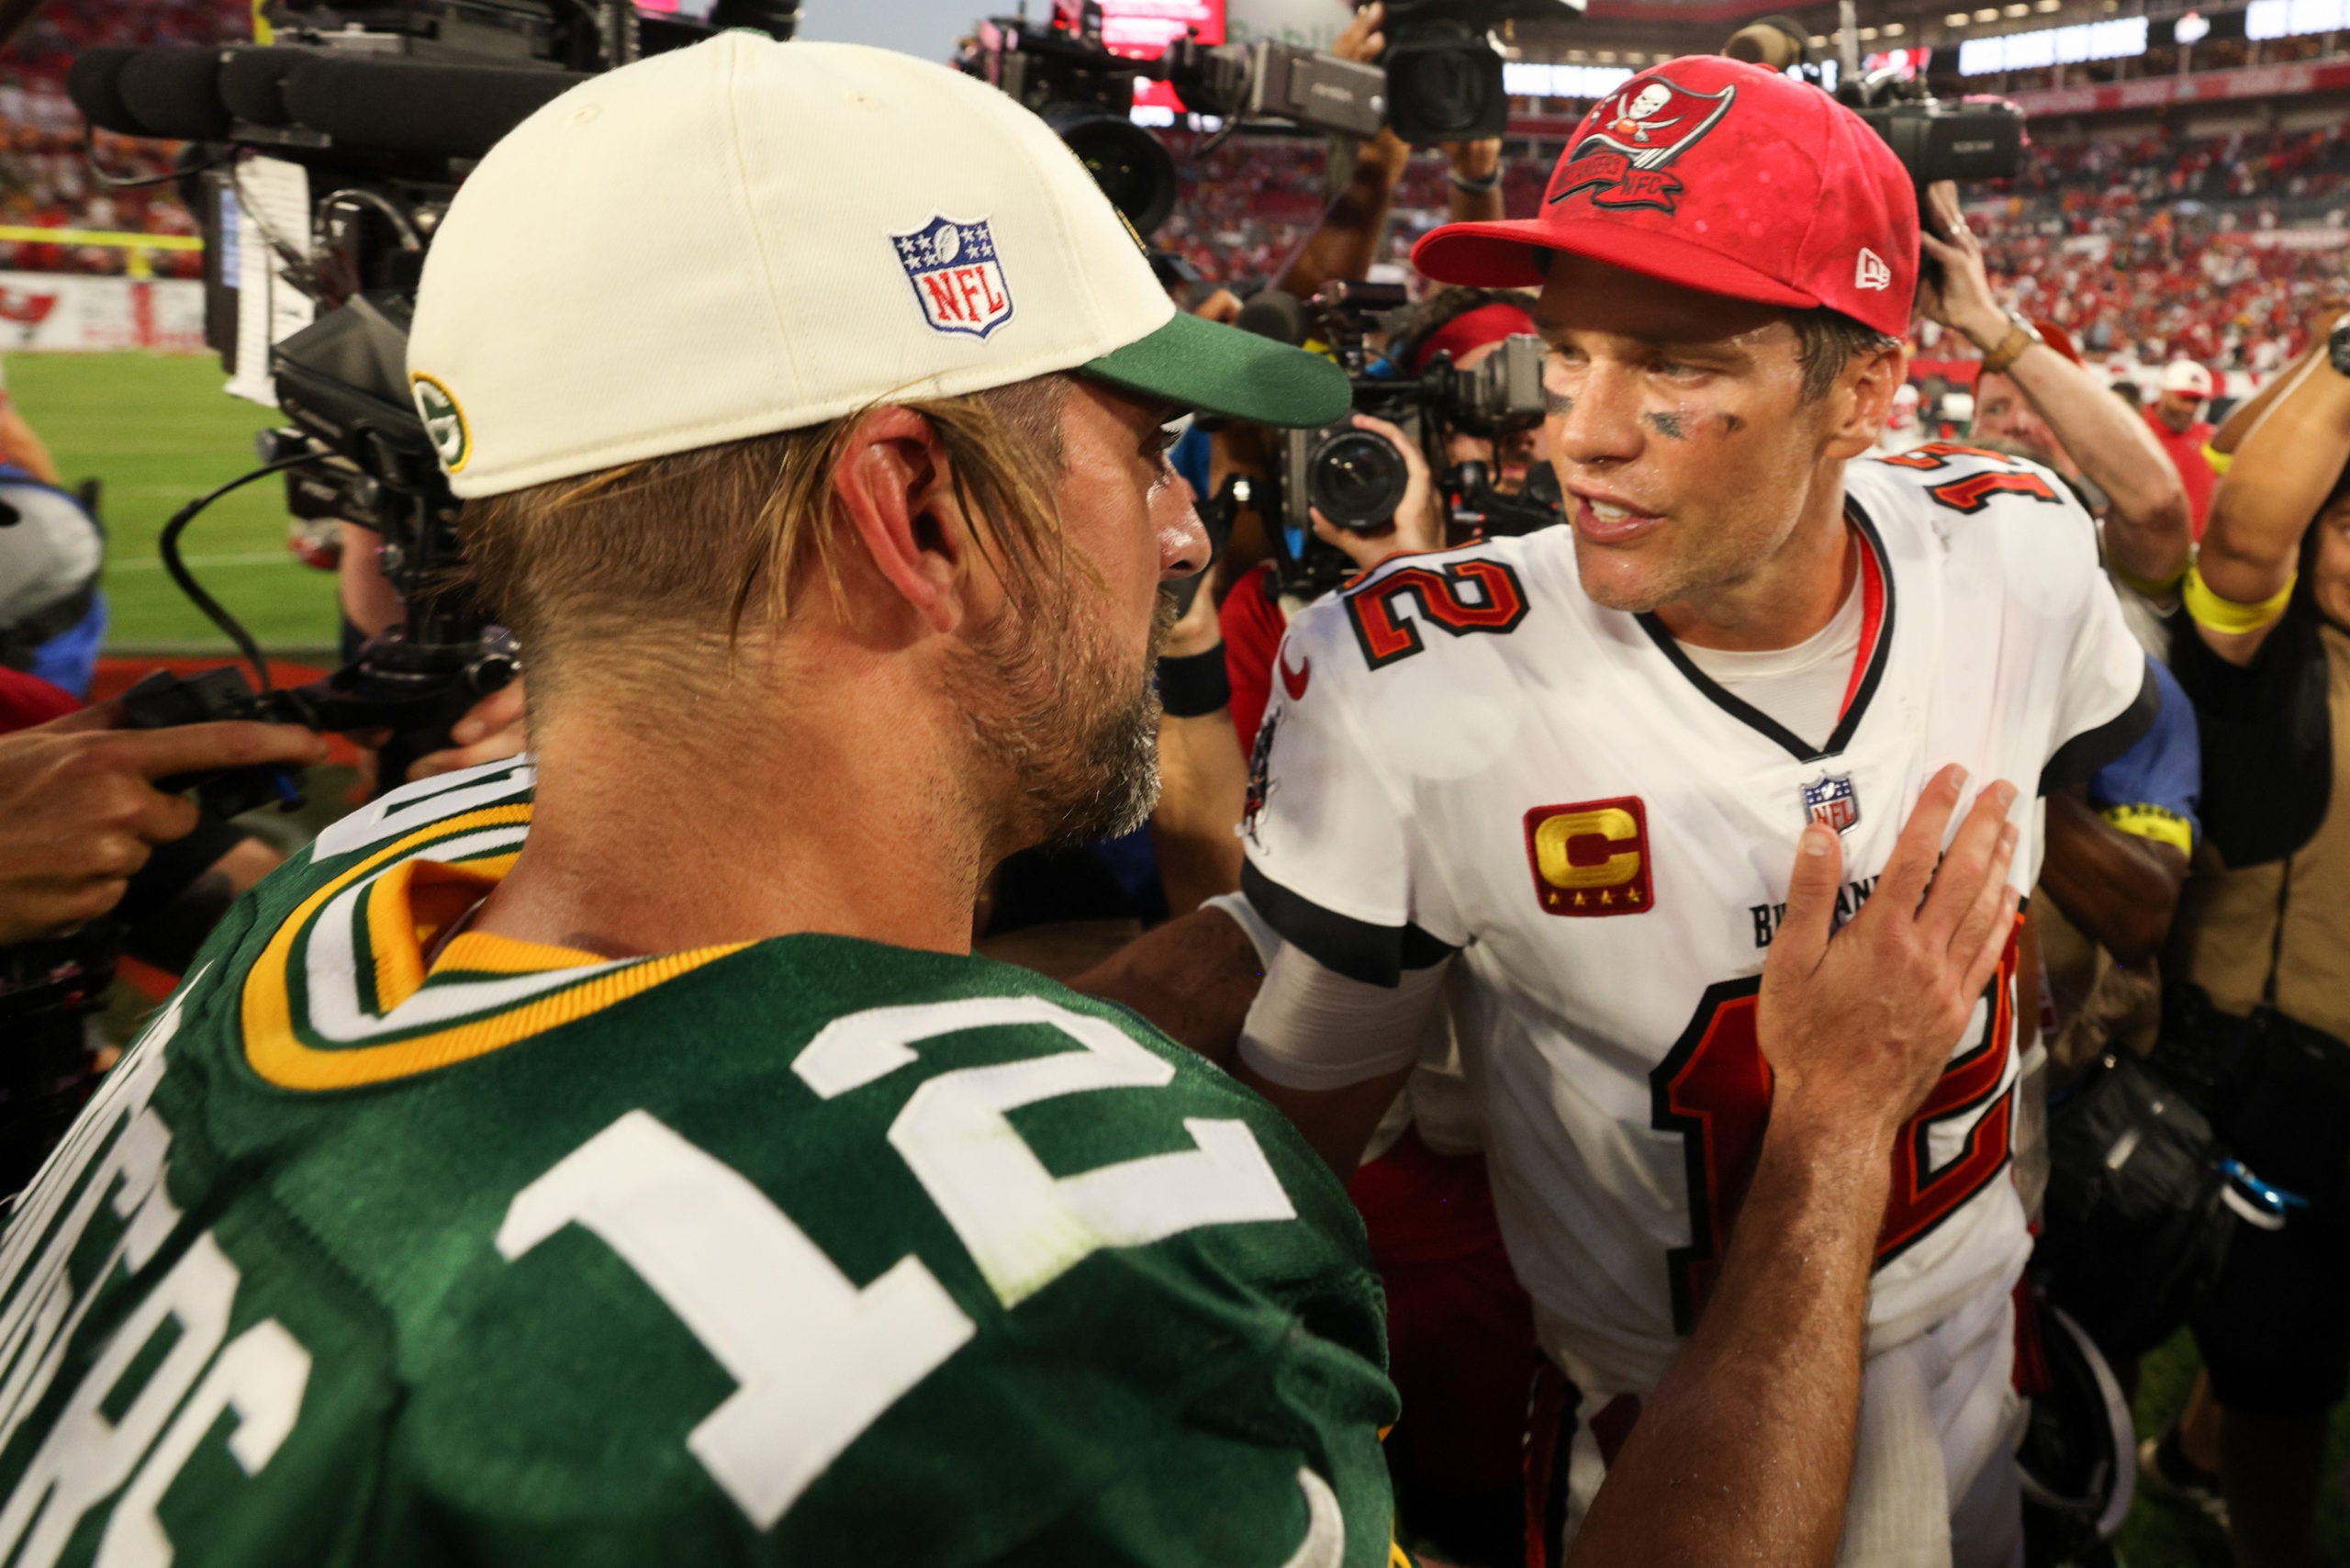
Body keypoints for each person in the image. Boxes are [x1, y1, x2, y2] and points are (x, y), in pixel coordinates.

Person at [0, 38, 2021, 1567]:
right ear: (912, 513)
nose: (1170, 531)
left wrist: (1294, 935)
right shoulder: (1061, 1315)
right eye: (1134, 450)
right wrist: (1833, 1123)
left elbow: (754, 1071)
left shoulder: (376, 862)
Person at [1209, 55, 2155, 1565]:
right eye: (1569, 353)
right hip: (1643, 1447)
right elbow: (1287, 1172)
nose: (1579, 431)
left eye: (1676, 366)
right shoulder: (1409, 669)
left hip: (1984, 1373)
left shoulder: (2016, 553)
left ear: (1861, 390)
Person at [2144, 313, 2350, 1568]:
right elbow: (2246, 513)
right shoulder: (2265, 661)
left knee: (2292, 1329)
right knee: (2287, 1373)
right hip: (2261, 1067)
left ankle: (2185, 1456)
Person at [2147, 357, 2221, 539]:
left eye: (2197, 401)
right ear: (2164, 393)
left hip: (2199, 551)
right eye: (2184, 399)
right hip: (2147, 552)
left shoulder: (2210, 437)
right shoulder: (2136, 432)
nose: (2190, 408)